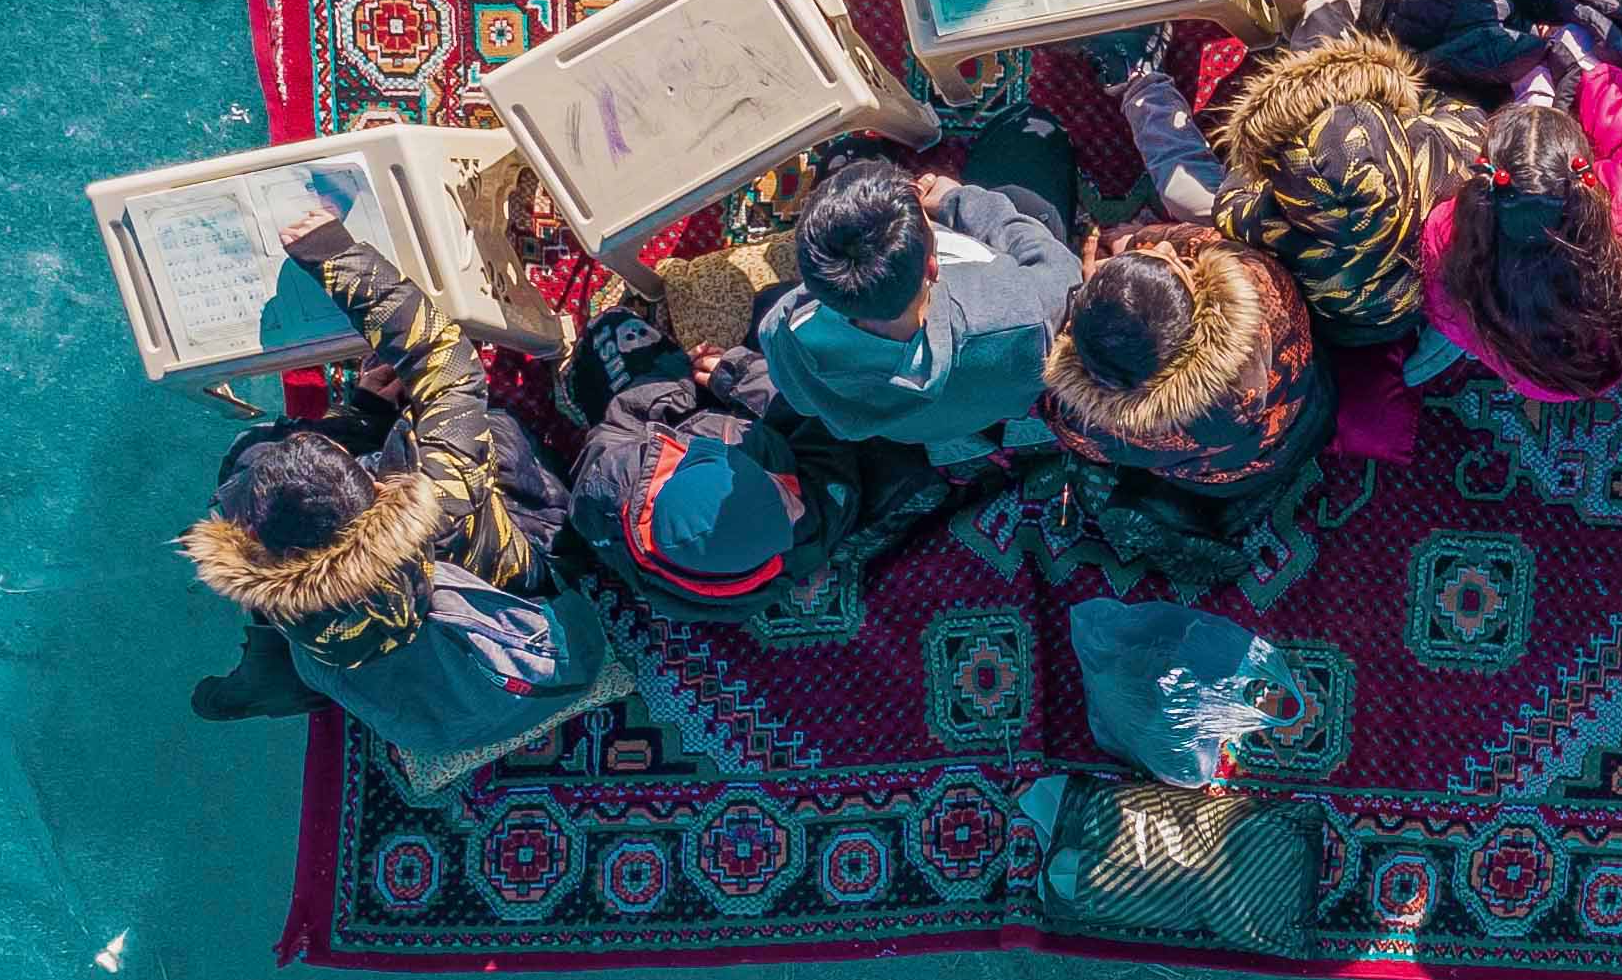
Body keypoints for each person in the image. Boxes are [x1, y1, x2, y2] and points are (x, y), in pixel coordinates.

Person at [181, 211, 623, 780]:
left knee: (252, 460)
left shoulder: (255, 571)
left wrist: (361, 415)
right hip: (543, 653)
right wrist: (331, 253)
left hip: (423, 723)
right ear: (372, 494)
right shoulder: (440, 501)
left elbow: (252, 490)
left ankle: (278, 671)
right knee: (493, 437)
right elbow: (447, 364)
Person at [1104, 5, 1477, 353]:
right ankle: (1142, 85)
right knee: (1320, 60)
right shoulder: (1443, 147)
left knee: (1193, 197)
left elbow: (1228, 205)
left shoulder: (1270, 228)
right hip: (1396, 312)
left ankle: (1141, 79)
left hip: (1355, 321)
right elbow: (1454, 110)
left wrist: (1257, 157)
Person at [755, 122, 1084, 469]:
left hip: (912, 427)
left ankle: (949, 442)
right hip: (991, 392)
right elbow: (1064, 272)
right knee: (1027, 157)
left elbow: (803, 401)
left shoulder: (785, 333)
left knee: (850, 156)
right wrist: (957, 200)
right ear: (932, 266)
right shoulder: (1016, 312)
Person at [1416, 27, 1622, 401]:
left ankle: (1534, 90)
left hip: (1525, 370)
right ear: (1585, 171)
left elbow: (1442, 299)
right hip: (1616, 348)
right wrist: (1593, 76)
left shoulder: (1445, 238)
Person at [558, 305, 838, 624]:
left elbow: (613, 432)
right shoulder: (806, 532)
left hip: (660, 431)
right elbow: (826, 433)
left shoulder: (610, 484)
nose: (796, 498)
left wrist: (669, 402)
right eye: (782, 497)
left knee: (615, 335)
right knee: (787, 338)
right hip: (743, 430)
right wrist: (742, 376)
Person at [1043, 212, 1335, 517]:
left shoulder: (1093, 425)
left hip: (1226, 480)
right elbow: (1193, 240)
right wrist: (1136, 242)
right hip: (1313, 410)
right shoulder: (1258, 282)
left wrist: (1085, 307)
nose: (1167, 249)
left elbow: (1062, 424)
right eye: (1175, 262)